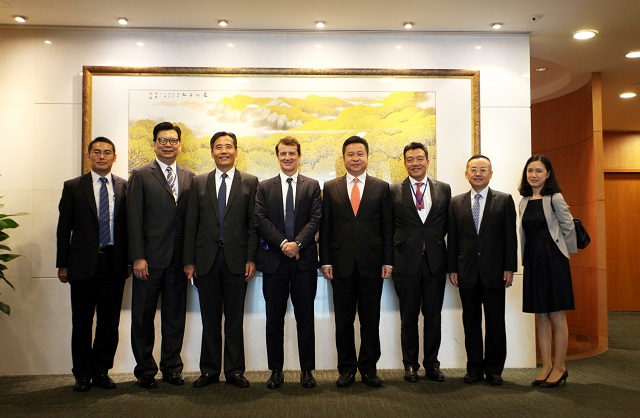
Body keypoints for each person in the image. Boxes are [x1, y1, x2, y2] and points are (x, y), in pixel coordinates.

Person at [184, 131, 259, 389]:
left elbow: (253, 226)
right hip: (206, 261)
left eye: (228, 146)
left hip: (238, 261)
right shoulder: (198, 182)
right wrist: (189, 261)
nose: (223, 151)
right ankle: (209, 371)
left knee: (235, 320)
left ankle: (235, 371)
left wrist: (251, 258)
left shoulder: (250, 182)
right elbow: (191, 224)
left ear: (236, 151)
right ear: (212, 152)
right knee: (210, 319)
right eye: (218, 147)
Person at [319, 135, 393, 388]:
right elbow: (325, 227)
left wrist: (388, 261)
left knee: (371, 320)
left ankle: (369, 369)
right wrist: (325, 260)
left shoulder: (381, 187)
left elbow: (387, 228)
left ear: (367, 157)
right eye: (350, 154)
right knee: (344, 321)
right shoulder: (331, 187)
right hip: (340, 265)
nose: (355, 158)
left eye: (360, 154)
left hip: (372, 264)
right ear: (343, 158)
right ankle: (347, 368)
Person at [56, 136, 129, 392]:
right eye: (96, 152)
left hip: (114, 263)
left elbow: (128, 228)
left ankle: (101, 372)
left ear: (114, 157)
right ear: (89, 156)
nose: (101, 156)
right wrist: (62, 264)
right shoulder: (73, 187)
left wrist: (130, 261)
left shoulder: (125, 187)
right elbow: (63, 229)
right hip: (82, 264)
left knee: (109, 323)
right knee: (82, 322)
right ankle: (82, 374)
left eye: (107, 152)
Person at [127, 121, 195, 389]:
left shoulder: (189, 176)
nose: (168, 145)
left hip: (178, 262)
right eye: (163, 140)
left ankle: (172, 368)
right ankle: (145, 370)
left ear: (180, 144)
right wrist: (138, 257)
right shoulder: (141, 175)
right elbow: (133, 219)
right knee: (143, 317)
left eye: (173, 140)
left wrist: (189, 259)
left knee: (175, 317)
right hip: (149, 261)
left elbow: (190, 222)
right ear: (154, 144)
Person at [254, 136, 322, 389]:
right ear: (277, 156)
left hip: (304, 263)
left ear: (299, 156)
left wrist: (298, 244)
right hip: (274, 262)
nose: (288, 157)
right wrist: (284, 244)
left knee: (306, 318)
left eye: (292, 153)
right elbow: (260, 220)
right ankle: (276, 371)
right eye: (283, 153)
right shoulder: (264, 187)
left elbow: (316, 219)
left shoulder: (312, 186)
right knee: (274, 319)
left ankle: (307, 371)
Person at [447, 154, 517, 386]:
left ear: (491, 174)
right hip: (466, 271)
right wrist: (452, 268)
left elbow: (510, 236)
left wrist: (509, 267)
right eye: (474, 170)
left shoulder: (504, 200)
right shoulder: (455, 203)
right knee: (471, 321)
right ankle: (474, 368)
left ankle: (494, 370)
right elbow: (453, 239)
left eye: (483, 170)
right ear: (466, 174)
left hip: (495, 272)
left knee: (496, 321)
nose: (478, 173)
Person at [389, 142, 451, 383]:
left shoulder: (443, 189)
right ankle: (410, 365)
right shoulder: (393, 190)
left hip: (435, 262)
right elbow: (388, 227)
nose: (415, 163)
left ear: (427, 161)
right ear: (404, 163)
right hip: (405, 263)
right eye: (410, 159)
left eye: (419, 158)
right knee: (409, 317)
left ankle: (432, 365)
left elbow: (446, 225)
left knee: (433, 316)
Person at [518, 154, 576, 388]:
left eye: (539, 171)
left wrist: (563, 256)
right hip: (533, 260)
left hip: (553, 259)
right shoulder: (523, 200)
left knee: (556, 314)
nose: (534, 175)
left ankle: (560, 367)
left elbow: (568, 226)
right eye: (530, 171)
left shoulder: (555, 198)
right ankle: (546, 366)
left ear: (548, 174)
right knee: (540, 315)